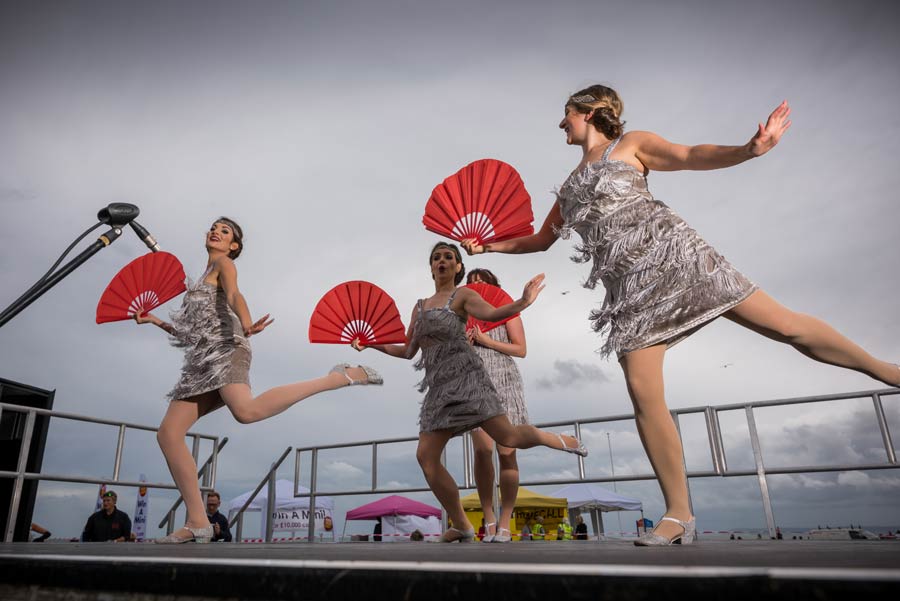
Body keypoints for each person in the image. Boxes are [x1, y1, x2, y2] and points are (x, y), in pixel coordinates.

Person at [462, 84, 900, 547]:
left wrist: (750, 150)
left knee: (784, 326)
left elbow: (690, 154)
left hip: (676, 258)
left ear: (588, 112)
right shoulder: (569, 186)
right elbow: (540, 240)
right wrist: (487, 245)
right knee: (642, 392)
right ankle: (679, 516)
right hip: (630, 291)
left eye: (566, 114)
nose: (560, 123)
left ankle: (888, 371)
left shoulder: (629, 146)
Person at [136, 217, 382, 544]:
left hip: (227, 348)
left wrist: (248, 322)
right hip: (199, 361)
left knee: (246, 411)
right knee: (168, 434)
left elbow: (236, 295)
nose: (216, 232)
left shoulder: (224, 264)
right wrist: (154, 320)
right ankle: (198, 521)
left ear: (233, 246)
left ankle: (336, 378)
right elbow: (189, 333)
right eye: (214, 227)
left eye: (225, 231)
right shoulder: (196, 283)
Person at [352, 242, 586, 542]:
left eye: (448, 257)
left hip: (468, 380)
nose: (442, 261)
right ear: (430, 267)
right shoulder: (420, 306)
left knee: (509, 438)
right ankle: (462, 524)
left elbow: (491, 314)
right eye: (436, 257)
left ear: (458, 266)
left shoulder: (463, 295)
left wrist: (523, 302)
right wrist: (369, 343)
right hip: (439, 389)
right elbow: (408, 350)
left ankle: (557, 440)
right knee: (426, 457)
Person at [465, 268, 530, 544]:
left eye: (482, 283)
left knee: (507, 452)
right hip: (474, 380)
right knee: (482, 450)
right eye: (471, 284)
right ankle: (488, 516)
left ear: (494, 287)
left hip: (505, 380)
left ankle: (505, 522)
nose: (476, 287)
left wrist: (487, 340)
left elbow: (521, 349)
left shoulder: (506, 310)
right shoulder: (461, 317)